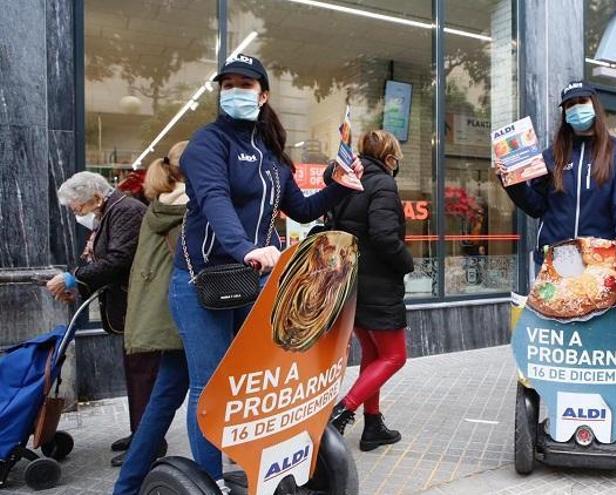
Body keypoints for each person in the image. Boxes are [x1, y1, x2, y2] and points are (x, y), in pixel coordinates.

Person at [169, 54, 361, 489]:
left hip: (255, 279)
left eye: (246, 84)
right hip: (204, 282)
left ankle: (255, 465)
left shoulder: (272, 152)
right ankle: (213, 480)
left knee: (253, 381)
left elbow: (302, 208)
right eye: (228, 84)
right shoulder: (207, 144)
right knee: (211, 385)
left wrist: (338, 183)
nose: (236, 91)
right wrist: (247, 249)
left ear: (263, 94)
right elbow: (215, 200)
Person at [48, 171, 159, 466]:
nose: (76, 213)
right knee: (136, 373)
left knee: (142, 374)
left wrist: (74, 279)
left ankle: (148, 443)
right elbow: (99, 258)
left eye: (77, 207)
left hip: (141, 307)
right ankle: (141, 435)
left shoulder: (125, 210)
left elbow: (118, 259)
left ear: (95, 197)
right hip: (128, 306)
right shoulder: (111, 210)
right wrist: (78, 284)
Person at [327, 130, 414, 452]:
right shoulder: (383, 184)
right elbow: (384, 236)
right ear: (389, 158)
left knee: (373, 353)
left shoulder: (347, 180)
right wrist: (407, 263)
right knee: (395, 356)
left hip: (350, 282)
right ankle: (343, 412)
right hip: (377, 284)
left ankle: (373, 424)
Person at [113, 142, 190, 494]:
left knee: (163, 399)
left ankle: (126, 486)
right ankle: (213, 477)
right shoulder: (188, 207)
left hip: (165, 318)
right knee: (205, 396)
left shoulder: (162, 204)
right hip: (186, 318)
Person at [498, 80, 616, 270]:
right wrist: (511, 181)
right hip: (555, 257)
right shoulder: (551, 156)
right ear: (564, 113)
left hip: (599, 257)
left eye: (582, 102)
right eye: (570, 105)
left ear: (594, 105)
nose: (576, 108)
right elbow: (536, 206)